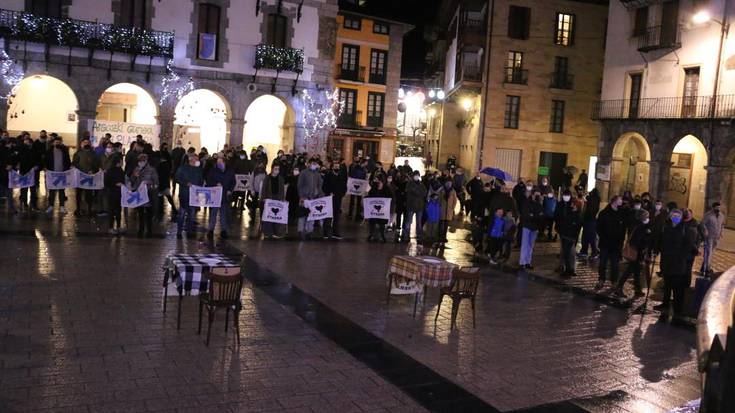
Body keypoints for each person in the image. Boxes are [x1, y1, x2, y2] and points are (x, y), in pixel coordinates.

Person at [656, 209, 697, 324]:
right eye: (674, 215)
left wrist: (681, 256)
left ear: (681, 217)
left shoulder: (685, 229)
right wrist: (657, 250)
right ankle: (665, 304)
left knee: (677, 287)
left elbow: (689, 245)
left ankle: (678, 309)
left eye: (678, 216)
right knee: (667, 284)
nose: (675, 217)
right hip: (666, 261)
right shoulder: (666, 228)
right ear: (670, 216)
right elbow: (661, 242)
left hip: (678, 263)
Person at [613, 210, 653, 298]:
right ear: (642, 217)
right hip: (636, 252)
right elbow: (639, 241)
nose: (648, 218)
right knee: (630, 270)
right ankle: (619, 287)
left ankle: (637, 289)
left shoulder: (638, 225)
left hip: (637, 252)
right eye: (646, 216)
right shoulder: (641, 227)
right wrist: (647, 235)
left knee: (636, 271)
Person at [595, 196, 627, 290]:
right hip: (605, 243)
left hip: (616, 244)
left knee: (615, 264)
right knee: (603, 263)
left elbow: (623, 228)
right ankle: (601, 279)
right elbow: (598, 227)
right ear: (614, 202)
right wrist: (603, 237)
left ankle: (614, 281)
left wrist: (621, 240)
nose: (621, 201)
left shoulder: (621, 213)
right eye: (619, 200)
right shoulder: (604, 213)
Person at [127, 153, 158, 237]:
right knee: (140, 213)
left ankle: (149, 230)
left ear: (146, 161)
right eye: (140, 161)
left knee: (148, 213)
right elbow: (132, 180)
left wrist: (149, 183)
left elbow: (156, 183)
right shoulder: (136, 169)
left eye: (142, 161)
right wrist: (134, 176)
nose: (141, 162)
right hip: (139, 194)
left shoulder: (152, 170)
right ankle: (140, 229)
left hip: (148, 194)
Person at [205, 156, 236, 240]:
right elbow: (208, 180)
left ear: (224, 162)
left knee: (223, 214)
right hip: (215, 196)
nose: (218, 164)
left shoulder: (230, 171)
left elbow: (233, 182)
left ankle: (224, 230)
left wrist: (230, 190)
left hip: (225, 196)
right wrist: (215, 184)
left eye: (220, 162)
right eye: (217, 162)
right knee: (213, 214)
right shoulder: (213, 171)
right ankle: (211, 230)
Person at [175, 154, 204, 239]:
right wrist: (185, 183)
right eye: (196, 159)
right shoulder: (182, 168)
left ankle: (190, 231)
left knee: (192, 215)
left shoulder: (199, 170)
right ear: (191, 160)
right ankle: (179, 232)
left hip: (194, 195)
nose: (198, 161)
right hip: (184, 194)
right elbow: (176, 178)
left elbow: (201, 180)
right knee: (182, 214)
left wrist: (200, 186)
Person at [72, 137, 101, 217]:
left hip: (89, 177)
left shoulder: (94, 154)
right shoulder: (78, 153)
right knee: (79, 195)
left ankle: (89, 209)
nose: (86, 144)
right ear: (81, 144)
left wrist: (93, 170)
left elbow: (97, 164)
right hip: (80, 177)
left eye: (88, 142)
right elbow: (74, 163)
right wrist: (78, 170)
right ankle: (78, 209)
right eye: (84, 142)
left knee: (89, 195)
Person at [555, 192, 581, 277]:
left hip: (569, 236)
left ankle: (570, 269)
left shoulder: (575, 214)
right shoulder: (561, 205)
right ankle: (565, 267)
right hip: (564, 234)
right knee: (565, 251)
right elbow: (557, 216)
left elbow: (575, 226)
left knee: (570, 252)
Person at [297, 158, 324, 239]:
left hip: (313, 198)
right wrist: (301, 196)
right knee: (302, 215)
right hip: (304, 197)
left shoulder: (317, 174)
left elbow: (320, 186)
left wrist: (320, 195)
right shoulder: (303, 172)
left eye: (315, 164)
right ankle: (301, 230)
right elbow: (299, 185)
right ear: (308, 164)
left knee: (311, 215)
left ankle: (309, 231)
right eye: (312, 163)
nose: (313, 165)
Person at [44, 136, 71, 215]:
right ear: (53, 143)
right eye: (56, 142)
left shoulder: (65, 151)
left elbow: (68, 161)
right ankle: (51, 205)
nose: (57, 143)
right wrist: (45, 168)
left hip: (62, 174)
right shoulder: (49, 151)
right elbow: (45, 161)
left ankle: (62, 206)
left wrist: (67, 169)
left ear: (61, 142)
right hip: (52, 174)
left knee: (62, 191)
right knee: (52, 191)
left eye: (59, 142)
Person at [322, 160, 347, 239]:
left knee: (336, 216)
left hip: (338, 198)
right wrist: (329, 192)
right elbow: (324, 186)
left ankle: (335, 233)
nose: (337, 168)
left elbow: (344, 186)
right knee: (328, 215)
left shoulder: (341, 176)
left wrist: (342, 194)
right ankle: (325, 232)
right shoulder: (328, 175)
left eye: (338, 167)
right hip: (329, 198)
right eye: (335, 167)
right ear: (332, 167)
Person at [519, 190, 544, 269]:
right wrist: (535, 215)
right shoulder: (527, 202)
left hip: (535, 227)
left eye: (539, 195)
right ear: (532, 195)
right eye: (536, 195)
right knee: (525, 244)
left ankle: (528, 262)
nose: (537, 196)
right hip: (527, 226)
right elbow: (526, 214)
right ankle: (522, 262)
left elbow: (541, 215)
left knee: (530, 245)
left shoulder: (539, 204)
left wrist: (534, 215)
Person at [260, 163, 286, 239]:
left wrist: (282, 199)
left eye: (278, 169)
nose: (277, 171)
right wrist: (263, 198)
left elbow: (282, 189)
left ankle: (276, 232)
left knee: (276, 216)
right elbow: (264, 189)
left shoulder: (281, 178)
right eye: (275, 169)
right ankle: (267, 233)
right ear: (272, 169)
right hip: (269, 198)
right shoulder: (267, 178)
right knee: (268, 216)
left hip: (277, 199)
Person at [701, 202, 725, 276]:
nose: (718, 209)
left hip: (716, 238)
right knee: (708, 254)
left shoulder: (721, 216)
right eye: (717, 207)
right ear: (713, 207)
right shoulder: (708, 215)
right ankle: (707, 269)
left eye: (719, 207)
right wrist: (706, 231)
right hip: (709, 237)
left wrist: (721, 232)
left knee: (711, 254)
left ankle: (703, 268)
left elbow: (722, 225)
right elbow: (703, 224)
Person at [402, 170, 427, 243]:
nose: (416, 176)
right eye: (415, 175)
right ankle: (406, 235)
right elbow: (412, 192)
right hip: (411, 206)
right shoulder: (409, 184)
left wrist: (419, 192)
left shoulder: (421, 184)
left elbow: (424, 192)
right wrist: (419, 192)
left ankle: (419, 236)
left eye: (417, 175)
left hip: (419, 206)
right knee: (408, 222)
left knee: (419, 223)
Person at [18, 135, 41, 211]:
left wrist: (37, 166)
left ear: (31, 143)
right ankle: (25, 204)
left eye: (28, 143)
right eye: (25, 142)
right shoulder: (22, 150)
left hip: (33, 173)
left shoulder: (35, 151)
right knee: (24, 189)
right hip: (24, 172)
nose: (26, 144)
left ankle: (33, 204)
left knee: (33, 190)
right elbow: (20, 160)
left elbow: (38, 160)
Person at [104, 154, 125, 234]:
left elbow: (123, 180)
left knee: (119, 210)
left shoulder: (120, 170)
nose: (122, 162)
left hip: (119, 193)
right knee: (112, 210)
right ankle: (110, 227)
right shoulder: (110, 171)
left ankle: (119, 226)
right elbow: (106, 182)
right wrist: (115, 184)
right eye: (121, 161)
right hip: (112, 193)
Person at [156, 144, 177, 220]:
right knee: (167, 196)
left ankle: (161, 210)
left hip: (162, 183)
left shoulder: (160, 165)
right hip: (165, 183)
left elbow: (160, 175)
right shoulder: (166, 165)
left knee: (162, 196)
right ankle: (173, 209)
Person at [366, 178, 391, 242]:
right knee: (372, 223)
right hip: (374, 210)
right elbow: (369, 196)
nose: (379, 184)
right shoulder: (373, 189)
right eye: (378, 183)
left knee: (382, 224)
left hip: (382, 211)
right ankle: (371, 234)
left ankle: (382, 235)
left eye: (380, 183)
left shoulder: (386, 190)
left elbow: (390, 197)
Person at [579, 188, 600, 258]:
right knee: (589, 237)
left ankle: (591, 251)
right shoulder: (596, 200)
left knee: (588, 237)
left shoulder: (590, 200)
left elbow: (587, 211)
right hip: (591, 220)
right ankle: (587, 251)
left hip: (588, 220)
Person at [438, 180, 457, 245]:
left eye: (450, 183)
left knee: (446, 225)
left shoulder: (453, 191)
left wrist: (452, 208)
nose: (449, 184)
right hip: (442, 210)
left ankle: (444, 237)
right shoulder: (441, 190)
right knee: (441, 225)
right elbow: (438, 199)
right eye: (447, 183)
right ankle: (439, 237)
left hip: (449, 211)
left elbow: (455, 200)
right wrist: (440, 206)